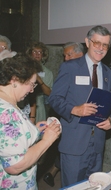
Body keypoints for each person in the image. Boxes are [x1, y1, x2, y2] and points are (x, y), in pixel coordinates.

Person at [48, 25, 111, 187]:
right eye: (97, 43)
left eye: (105, 45)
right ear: (87, 42)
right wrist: (74, 109)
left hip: (97, 144)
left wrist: (109, 119)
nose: (100, 48)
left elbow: (107, 105)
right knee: (73, 186)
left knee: (94, 186)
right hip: (74, 143)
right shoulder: (69, 67)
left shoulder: (108, 73)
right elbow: (54, 99)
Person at [0, 53, 61, 190]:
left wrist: (35, 131)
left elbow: (12, 138)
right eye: (31, 84)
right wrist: (47, 140)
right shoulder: (7, 112)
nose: (32, 90)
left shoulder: (8, 101)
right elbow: (14, 166)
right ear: (15, 80)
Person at [43, 41, 85, 187]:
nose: (66, 58)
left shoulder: (91, 71)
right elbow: (55, 97)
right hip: (69, 122)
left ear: (80, 54)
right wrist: (73, 109)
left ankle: (52, 171)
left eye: (69, 54)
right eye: (64, 56)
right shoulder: (66, 69)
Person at [26, 41, 54, 123]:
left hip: (39, 105)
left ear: (43, 55)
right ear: (30, 53)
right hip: (24, 103)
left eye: (40, 52)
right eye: (34, 51)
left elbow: (49, 92)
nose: (37, 54)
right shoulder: (24, 68)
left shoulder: (47, 72)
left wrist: (39, 80)